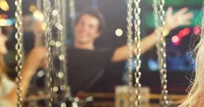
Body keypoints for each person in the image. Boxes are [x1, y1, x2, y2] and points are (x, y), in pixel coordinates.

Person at [64, 6, 193, 92]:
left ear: (97, 33)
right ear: (76, 26)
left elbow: (135, 49)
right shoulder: (61, 52)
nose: (84, 29)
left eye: (90, 26)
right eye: (82, 23)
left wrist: (165, 28)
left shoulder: (99, 56)